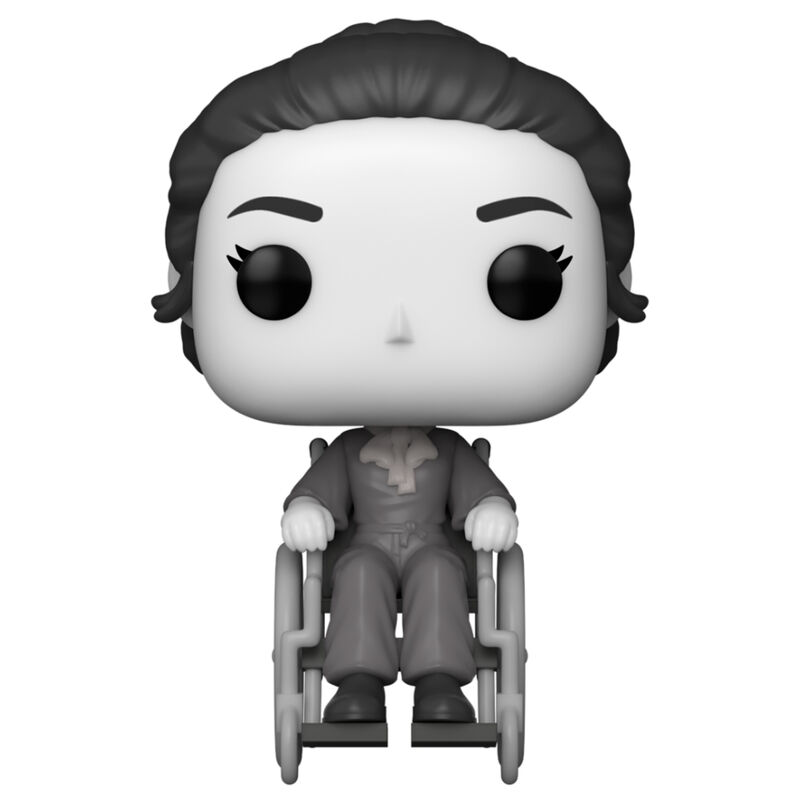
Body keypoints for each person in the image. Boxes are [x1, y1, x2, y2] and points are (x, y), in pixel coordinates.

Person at [152, 18, 648, 724]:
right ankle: (356, 682)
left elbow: (480, 494)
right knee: (356, 573)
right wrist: (308, 510)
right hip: (361, 549)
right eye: (276, 278)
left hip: (437, 549)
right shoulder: (346, 455)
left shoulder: (452, 454)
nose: (399, 328)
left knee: (441, 573)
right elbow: (318, 494)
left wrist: (490, 510)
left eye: (526, 278)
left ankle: (441, 682)